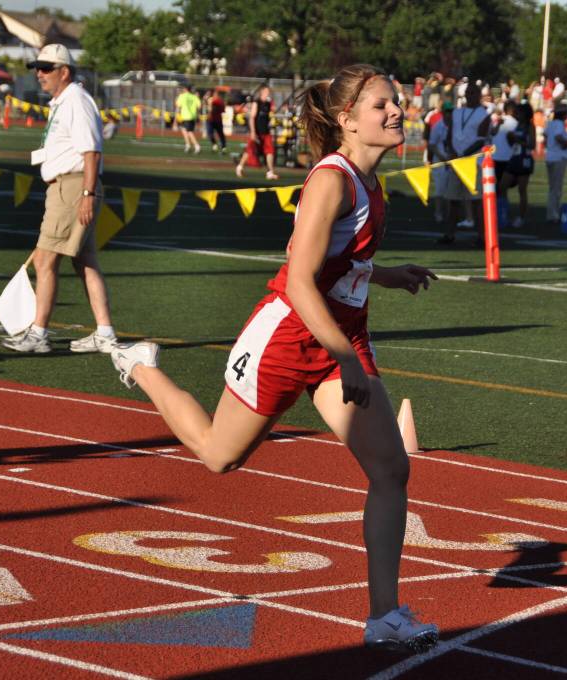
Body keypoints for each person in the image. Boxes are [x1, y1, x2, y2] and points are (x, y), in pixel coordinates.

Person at [109, 64, 441, 652]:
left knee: (390, 469)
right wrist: (347, 359)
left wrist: (388, 277)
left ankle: (384, 616)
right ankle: (141, 365)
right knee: (218, 456)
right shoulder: (331, 181)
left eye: (397, 102)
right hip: (290, 337)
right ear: (347, 120)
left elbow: (345, 265)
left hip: (342, 335)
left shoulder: (371, 181)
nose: (396, 112)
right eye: (382, 105)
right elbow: (301, 285)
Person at [2, 44, 119, 354]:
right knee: (85, 261)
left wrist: (87, 194)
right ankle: (105, 332)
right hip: (69, 186)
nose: (39, 74)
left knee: (45, 259)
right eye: (37, 68)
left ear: (64, 72)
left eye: (45, 68)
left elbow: (91, 151)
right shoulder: (63, 102)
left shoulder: (75, 102)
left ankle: (38, 334)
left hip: (73, 185)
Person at [438, 82, 490, 245]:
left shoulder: (484, 114)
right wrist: (452, 152)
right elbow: (450, 135)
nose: (470, 95)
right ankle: (449, 234)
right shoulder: (456, 112)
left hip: (474, 162)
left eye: (473, 93)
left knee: (477, 201)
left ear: (479, 95)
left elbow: (480, 140)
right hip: (457, 162)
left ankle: (482, 237)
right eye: (468, 92)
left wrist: (463, 154)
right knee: (452, 200)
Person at [502, 101, 536, 228]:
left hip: (524, 159)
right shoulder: (517, 125)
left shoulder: (530, 126)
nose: (517, 114)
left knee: (522, 189)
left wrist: (518, 140)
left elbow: (532, 145)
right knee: (502, 186)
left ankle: (521, 217)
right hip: (515, 157)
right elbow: (513, 144)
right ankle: (504, 211)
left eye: (520, 112)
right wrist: (509, 138)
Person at [236, 85, 278, 179]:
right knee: (250, 150)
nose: (268, 93)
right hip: (257, 131)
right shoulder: (257, 102)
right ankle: (240, 167)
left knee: (270, 150)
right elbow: (252, 117)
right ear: (262, 92)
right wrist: (253, 132)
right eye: (266, 91)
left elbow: (268, 116)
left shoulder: (268, 103)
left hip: (265, 131)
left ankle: (270, 172)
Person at [544, 105, 567, 224]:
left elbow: (546, 137)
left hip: (550, 156)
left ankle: (552, 212)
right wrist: (566, 144)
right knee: (556, 188)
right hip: (558, 158)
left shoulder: (550, 123)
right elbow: (558, 136)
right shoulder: (559, 124)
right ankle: (553, 214)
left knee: (552, 187)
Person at [428, 101, 455, 227]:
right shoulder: (437, 127)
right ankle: (438, 213)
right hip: (440, 162)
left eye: (451, 111)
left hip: (453, 160)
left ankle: (450, 213)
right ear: (443, 112)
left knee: (451, 189)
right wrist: (443, 158)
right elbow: (432, 145)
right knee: (440, 189)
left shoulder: (455, 126)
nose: (449, 114)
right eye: (447, 111)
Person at [175, 83, 202, 153]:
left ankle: (197, 145)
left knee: (189, 132)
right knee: (183, 129)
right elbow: (199, 106)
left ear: (185, 89)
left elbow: (177, 105)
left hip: (186, 116)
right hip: (192, 116)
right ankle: (188, 144)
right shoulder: (194, 96)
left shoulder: (182, 96)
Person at [204, 89, 227, 153]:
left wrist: (207, 100)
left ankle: (223, 147)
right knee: (210, 133)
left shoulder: (217, 100)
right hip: (212, 119)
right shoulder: (218, 100)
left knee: (220, 134)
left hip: (215, 119)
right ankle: (217, 145)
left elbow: (212, 107)